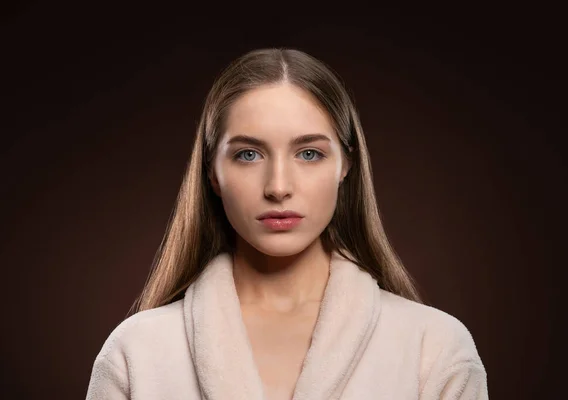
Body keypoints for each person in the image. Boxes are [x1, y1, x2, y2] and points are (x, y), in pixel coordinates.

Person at [85, 48, 488, 400]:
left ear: (345, 164)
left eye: (309, 153)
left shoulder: (433, 349)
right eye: (248, 155)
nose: (278, 187)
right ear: (212, 171)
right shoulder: (136, 353)